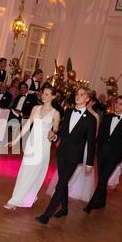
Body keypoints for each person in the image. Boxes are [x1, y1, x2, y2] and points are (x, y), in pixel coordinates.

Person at [36, 87, 96, 224]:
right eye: (77, 94)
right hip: (62, 152)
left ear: (87, 99)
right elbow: (63, 130)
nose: (78, 96)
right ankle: (64, 209)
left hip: (74, 156)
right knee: (63, 181)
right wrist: (55, 135)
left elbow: (91, 142)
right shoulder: (69, 111)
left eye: (82, 95)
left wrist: (90, 163)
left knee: (61, 184)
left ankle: (46, 215)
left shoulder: (91, 119)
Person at [3, 86, 60, 210]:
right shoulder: (36, 108)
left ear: (53, 96)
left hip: (43, 146)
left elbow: (55, 129)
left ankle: (17, 200)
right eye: (43, 93)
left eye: (47, 94)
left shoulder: (56, 113)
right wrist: (16, 140)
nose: (43, 96)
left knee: (34, 173)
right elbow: (27, 125)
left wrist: (53, 134)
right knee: (25, 171)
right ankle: (21, 197)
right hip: (31, 144)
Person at [84, 95, 122, 213]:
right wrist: (96, 151)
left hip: (114, 156)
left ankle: (91, 204)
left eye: (121, 104)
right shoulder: (107, 117)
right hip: (101, 154)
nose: (117, 105)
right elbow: (100, 136)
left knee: (102, 180)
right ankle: (102, 202)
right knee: (102, 179)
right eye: (116, 103)